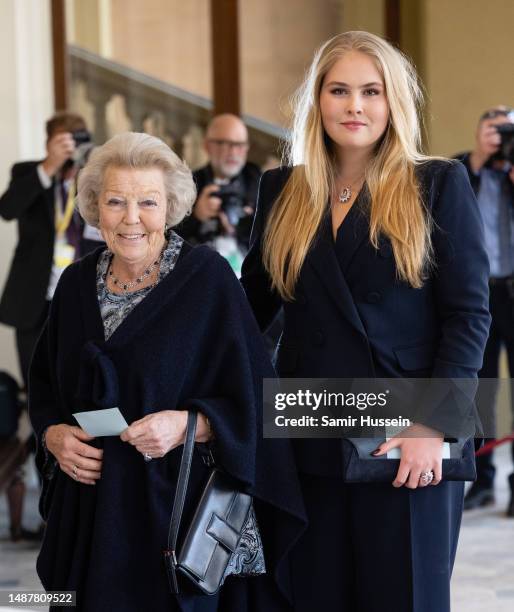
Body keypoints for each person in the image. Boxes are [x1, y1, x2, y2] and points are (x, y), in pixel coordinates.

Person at [241, 31, 491, 612]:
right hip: (309, 433)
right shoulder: (282, 191)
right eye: (340, 90)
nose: (355, 105)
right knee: (313, 595)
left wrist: (433, 426)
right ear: (317, 101)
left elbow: (467, 315)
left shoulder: (438, 183)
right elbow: (247, 310)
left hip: (406, 434)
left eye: (371, 91)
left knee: (403, 597)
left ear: (393, 102)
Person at [28, 132, 305, 612]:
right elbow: (46, 385)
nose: (131, 218)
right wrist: (53, 435)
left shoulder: (207, 279)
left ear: (171, 206)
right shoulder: (74, 285)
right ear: (95, 206)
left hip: (178, 517)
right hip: (91, 515)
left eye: (147, 202)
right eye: (115, 201)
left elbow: (257, 397)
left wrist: (189, 425)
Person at [0, 111, 102, 390]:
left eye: (78, 140)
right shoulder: (27, 173)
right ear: (49, 143)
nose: (71, 147)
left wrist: (86, 177)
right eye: (63, 141)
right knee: (34, 381)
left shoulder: (94, 179)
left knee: (75, 380)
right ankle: (38, 434)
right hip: (33, 297)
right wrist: (49, 166)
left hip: (79, 295)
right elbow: (7, 209)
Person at [456, 106, 514, 516]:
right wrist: (479, 160)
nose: (499, 137)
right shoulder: (460, 170)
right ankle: (481, 479)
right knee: (481, 387)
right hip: (477, 294)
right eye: (491, 129)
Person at [177, 114, 261, 272]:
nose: (233, 152)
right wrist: (196, 216)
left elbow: (270, 241)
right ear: (207, 146)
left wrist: (238, 226)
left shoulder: (257, 181)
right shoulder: (188, 183)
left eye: (240, 144)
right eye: (224, 143)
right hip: (199, 272)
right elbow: (169, 238)